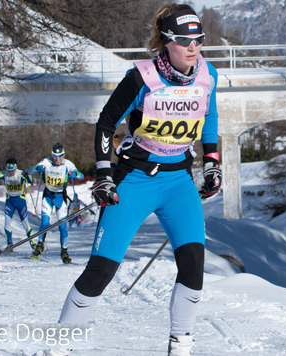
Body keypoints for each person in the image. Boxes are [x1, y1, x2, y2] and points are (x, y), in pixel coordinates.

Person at [55, 4, 221, 356]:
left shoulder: (208, 75)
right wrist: (103, 174)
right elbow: (105, 123)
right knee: (100, 271)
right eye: (185, 40)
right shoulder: (141, 77)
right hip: (134, 179)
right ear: (166, 42)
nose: (194, 47)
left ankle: (181, 347)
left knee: (193, 266)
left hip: (178, 182)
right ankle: (59, 346)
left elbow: (210, 119)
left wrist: (211, 164)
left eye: (199, 40)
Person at [28, 142, 84, 264]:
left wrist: (75, 174)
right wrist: (38, 168)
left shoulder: (67, 164)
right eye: (54, 156)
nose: (57, 159)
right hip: (48, 196)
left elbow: (81, 175)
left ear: (63, 155)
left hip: (60, 198)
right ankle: (39, 247)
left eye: (60, 156)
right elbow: (30, 170)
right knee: (44, 223)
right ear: (51, 155)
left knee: (62, 226)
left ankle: (64, 251)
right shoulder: (46, 161)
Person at [0, 158, 33, 249]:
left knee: (25, 222)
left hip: (20, 200)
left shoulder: (20, 173)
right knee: (6, 222)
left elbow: (30, 181)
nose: (11, 172)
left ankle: (32, 243)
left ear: (16, 168)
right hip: (10, 201)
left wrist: (27, 175)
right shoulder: (4, 173)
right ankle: (10, 243)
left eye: (13, 170)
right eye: (9, 170)